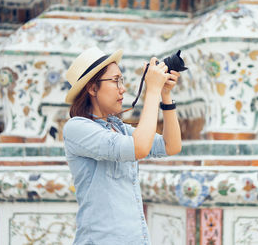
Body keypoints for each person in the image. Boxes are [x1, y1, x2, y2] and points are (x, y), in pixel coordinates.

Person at [62, 47, 182, 245]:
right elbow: (140, 148)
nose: (122, 88)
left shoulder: (121, 130)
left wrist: (165, 95)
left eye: (122, 80)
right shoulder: (77, 128)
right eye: (115, 80)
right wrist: (151, 90)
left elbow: (171, 146)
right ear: (92, 88)